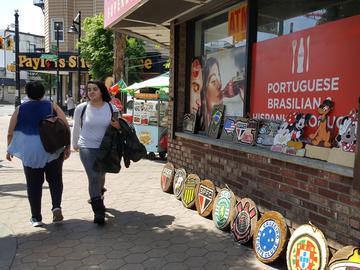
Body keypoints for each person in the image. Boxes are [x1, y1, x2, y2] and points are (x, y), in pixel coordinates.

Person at [6, 81, 71, 227]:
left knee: (33, 185)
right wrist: (67, 146)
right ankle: (56, 207)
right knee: (55, 180)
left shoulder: (20, 109)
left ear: (27, 93)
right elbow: (65, 125)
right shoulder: (51, 105)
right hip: (52, 148)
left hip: (30, 152)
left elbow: (10, 132)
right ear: (43, 93)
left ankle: (36, 218)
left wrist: (9, 148)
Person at [72, 80, 120, 225]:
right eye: (89, 89)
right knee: (93, 176)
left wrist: (118, 125)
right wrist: (74, 144)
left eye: (95, 89)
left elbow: (117, 128)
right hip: (87, 146)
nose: (91, 92)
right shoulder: (81, 108)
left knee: (101, 176)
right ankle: (98, 211)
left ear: (101, 91)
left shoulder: (112, 108)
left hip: (106, 148)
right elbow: (76, 127)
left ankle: (98, 195)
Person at [200, 57, 223, 129]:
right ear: (204, 91)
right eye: (213, 81)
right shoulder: (201, 126)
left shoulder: (225, 119)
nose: (220, 84)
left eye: (219, 76)